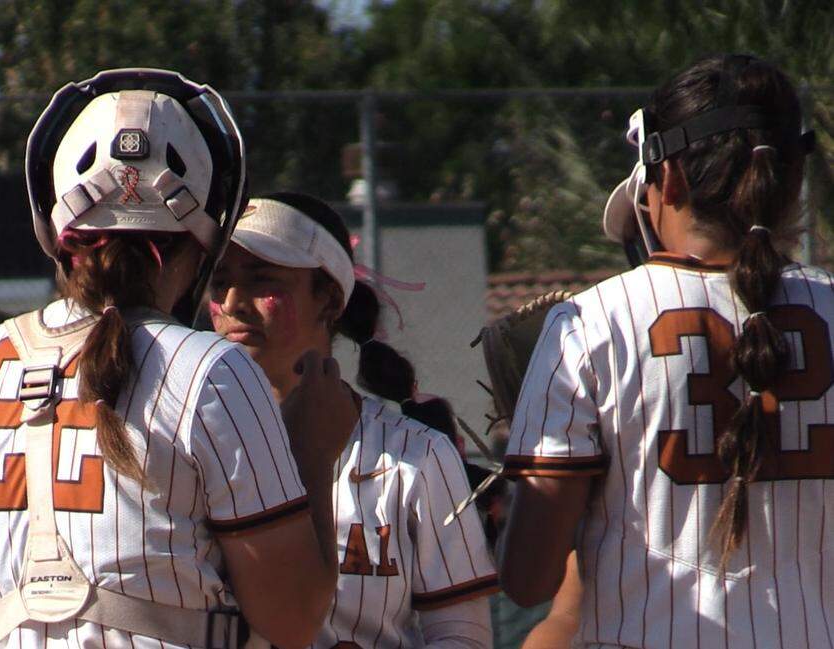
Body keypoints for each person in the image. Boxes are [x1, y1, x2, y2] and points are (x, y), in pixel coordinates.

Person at [0, 69, 351, 649]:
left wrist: (9, 555)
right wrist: (312, 454)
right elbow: (294, 620)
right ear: (204, 238)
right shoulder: (213, 369)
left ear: (58, 231)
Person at [498, 54, 831, 649]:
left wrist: (542, 471)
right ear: (794, 178)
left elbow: (527, 582)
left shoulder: (588, 322)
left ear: (667, 177)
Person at [209, 192, 497, 648]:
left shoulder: (416, 456)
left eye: (262, 280)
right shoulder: (191, 442)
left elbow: (462, 636)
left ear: (329, 298)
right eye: (217, 280)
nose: (232, 302)